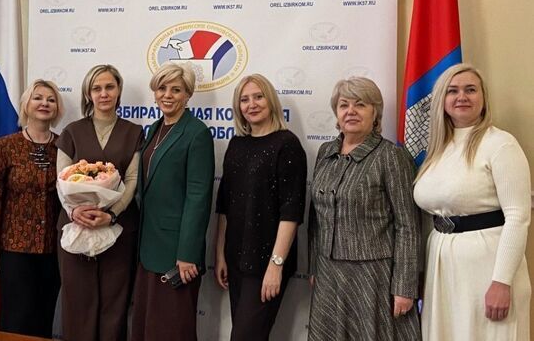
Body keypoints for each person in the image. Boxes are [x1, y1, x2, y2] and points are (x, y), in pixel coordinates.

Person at [414, 63, 530, 341]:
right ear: (442, 100)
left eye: (470, 90)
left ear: (483, 97)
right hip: (442, 264)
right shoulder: (438, 149)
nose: (461, 97)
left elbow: (518, 216)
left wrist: (502, 281)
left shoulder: (500, 144)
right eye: (452, 91)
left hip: (488, 266)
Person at [308, 77, 420, 340]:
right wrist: (314, 267)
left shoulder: (391, 156)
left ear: (375, 113)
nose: (351, 111)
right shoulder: (325, 152)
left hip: (373, 277)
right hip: (328, 272)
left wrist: (405, 286)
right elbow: (316, 218)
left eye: (360, 104)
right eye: (344, 105)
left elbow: (408, 225)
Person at [214, 74, 307, 341]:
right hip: (236, 259)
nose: (251, 104)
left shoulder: (287, 145)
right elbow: (224, 206)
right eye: (244, 100)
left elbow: (291, 212)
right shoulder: (237, 144)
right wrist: (220, 255)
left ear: (271, 100)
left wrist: (276, 265)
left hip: (267, 262)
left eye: (258, 97)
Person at [55, 64, 144, 341]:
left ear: (118, 91)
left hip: (119, 230)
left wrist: (112, 215)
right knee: (78, 304)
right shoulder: (71, 132)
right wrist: (74, 211)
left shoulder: (134, 132)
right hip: (75, 228)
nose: (103, 93)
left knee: (114, 306)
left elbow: (132, 179)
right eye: (97, 88)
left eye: (109, 87)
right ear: (88, 94)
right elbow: (62, 179)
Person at [131, 62, 215, 341]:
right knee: (148, 326)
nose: (167, 95)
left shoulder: (197, 133)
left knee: (172, 329)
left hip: (177, 253)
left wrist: (187, 254)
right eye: (162, 88)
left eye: (176, 90)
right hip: (148, 246)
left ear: (188, 94)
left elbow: (198, 197)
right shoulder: (155, 128)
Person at [0, 79, 64, 337]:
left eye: (51, 99)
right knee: (16, 318)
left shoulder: (64, 146)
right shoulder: (4, 146)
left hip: (53, 249)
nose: (44, 103)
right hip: (14, 248)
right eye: (38, 98)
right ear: (26, 105)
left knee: (44, 317)